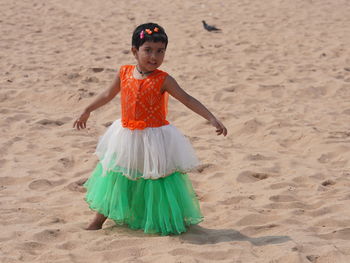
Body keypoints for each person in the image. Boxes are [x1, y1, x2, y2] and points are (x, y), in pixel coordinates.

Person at [73, 23, 227, 236]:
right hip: (126, 135)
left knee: (157, 180)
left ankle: (161, 218)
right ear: (135, 51)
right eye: (148, 50)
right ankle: (98, 220)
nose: (154, 56)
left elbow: (187, 99)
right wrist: (87, 110)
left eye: (160, 51)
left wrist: (211, 117)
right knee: (116, 176)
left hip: (154, 138)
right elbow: (107, 94)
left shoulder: (164, 79)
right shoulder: (124, 73)